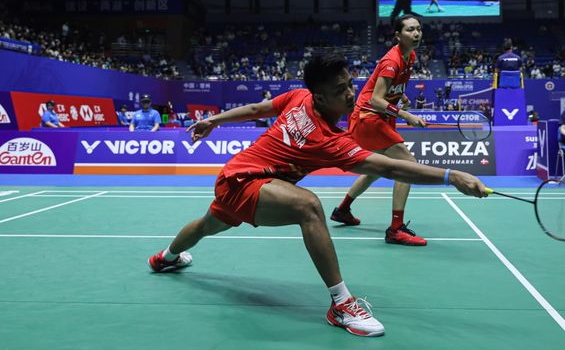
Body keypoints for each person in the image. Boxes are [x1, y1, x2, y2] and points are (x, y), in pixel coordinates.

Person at [147, 55, 487, 337]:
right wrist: (450, 175)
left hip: (238, 181)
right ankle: (341, 305)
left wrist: (215, 120)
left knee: (208, 225)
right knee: (308, 205)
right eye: (341, 90)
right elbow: (392, 168)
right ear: (320, 97)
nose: (352, 94)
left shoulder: (303, 101)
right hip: (244, 180)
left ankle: (165, 257)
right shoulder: (324, 135)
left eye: (351, 84)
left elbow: (255, 110)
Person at [330, 15, 429, 246]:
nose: (416, 34)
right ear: (398, 35)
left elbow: (387, 89)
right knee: (408, 165)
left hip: (379, 117)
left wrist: (400, 95)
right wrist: (406, 115)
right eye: (410, 30)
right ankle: (395, 229)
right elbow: (376, 99)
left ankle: (343, 210)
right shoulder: (391, 62)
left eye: (418, 29)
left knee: (376, 169)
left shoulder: (410, 56)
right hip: (369, 118)